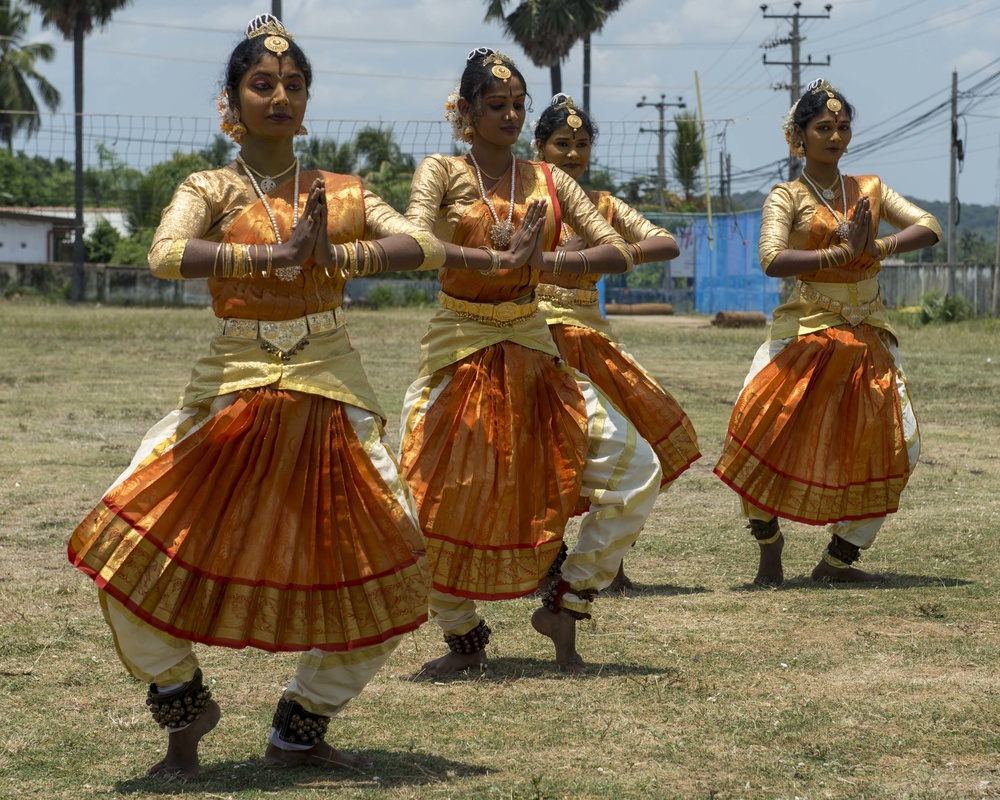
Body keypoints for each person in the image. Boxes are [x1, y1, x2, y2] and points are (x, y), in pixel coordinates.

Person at [67, 15, 543, 779]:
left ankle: (302, 723)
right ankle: (181, 701)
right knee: (125, 554)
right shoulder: (210, 187)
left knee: (401, 559)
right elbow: (163, 254)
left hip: (329, 385)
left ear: (308, 99)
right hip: (229, 389)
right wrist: (268, 255)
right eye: (262, 83)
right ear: (231, 100)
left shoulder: (339, 191)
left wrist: (349, 251)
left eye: (293, 84)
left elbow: (414, 243)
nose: (279, 94)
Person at [400, 48, 662, 677]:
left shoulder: (550, 179)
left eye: (519, 104)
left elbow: (619, 249)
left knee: (635, 470)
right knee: (418, 503)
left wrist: (542, 265)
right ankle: (463, 635)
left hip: (534, 347)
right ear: (464, 111)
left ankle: (567, 602)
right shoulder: (441, 172)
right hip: (459, 348)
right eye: (497, 105)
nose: (512, 114)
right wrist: (491, 262)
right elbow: (414, 242)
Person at [713, 79, 941, 586]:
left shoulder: (870, 190)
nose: (835, 136)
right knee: (756, 435)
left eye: (842, 127)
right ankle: (769, 549)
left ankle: (838, 560)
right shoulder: (787, 196)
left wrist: (876, 248)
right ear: (798, 137)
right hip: (803, 333)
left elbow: (929, 224)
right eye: (823, 127)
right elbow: (771, 258)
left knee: (902, 442)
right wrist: (840, 253)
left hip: (867, 338)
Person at [533, 94, 701, 593]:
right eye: (562, 144)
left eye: (582, 144)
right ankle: (549, 558)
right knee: (544, 454)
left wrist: (601, 255)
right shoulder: (521, 201)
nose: (572, 154)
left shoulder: (602, 205)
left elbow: (665, 242)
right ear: (539, 146)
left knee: (619, 451)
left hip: (590, 340)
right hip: (531, 336)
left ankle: (610, 563)